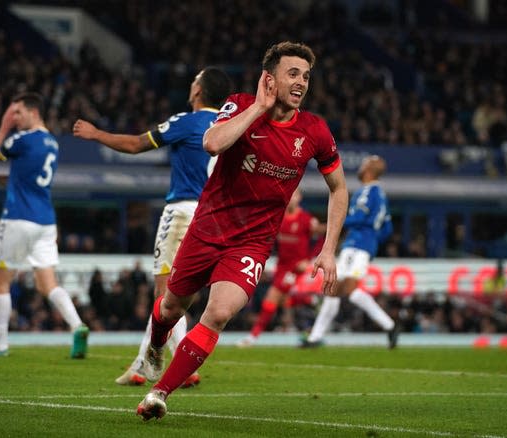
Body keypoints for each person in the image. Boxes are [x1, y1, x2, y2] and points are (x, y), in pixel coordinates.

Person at [136, 41, 348, 421]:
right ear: (270, 78)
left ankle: (159, 392)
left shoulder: (315, 130)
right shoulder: (238, 103)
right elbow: (211, 143)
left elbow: (339, 189)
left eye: (306, 76)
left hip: (251, 243)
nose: (301, 83)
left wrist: (328, 248)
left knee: (217, 313)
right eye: (293, 74)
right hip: (207, 228)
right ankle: (154, 346)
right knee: (171, 306)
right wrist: (258, 108)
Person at [73, 67, 232, 386]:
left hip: (183, 212)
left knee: (165, 297)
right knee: (180, 298)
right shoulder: (230, 127)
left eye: (194, 81)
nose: (191, 85)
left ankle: (150, 367)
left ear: (198, 91)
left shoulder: (187, 122)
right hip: (215, 218)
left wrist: (97, 134)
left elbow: (134, 145)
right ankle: (156, 366)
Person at [0, 92, 89, 358]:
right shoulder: (51, 143)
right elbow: (19, 181)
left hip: (18, 218)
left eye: (17, 112)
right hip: (45, 222)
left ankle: (0, 345)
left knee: (0, 280)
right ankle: (77, 326)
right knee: (47, 284)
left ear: (33, 112)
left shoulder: (21, 139)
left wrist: (4, 127)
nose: (14, 117)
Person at [301, 155, 399, 349]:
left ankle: (390, 325)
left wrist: (327, 227)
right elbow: (387, 228)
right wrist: (372, 241)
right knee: (332, 290)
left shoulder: (367, 192)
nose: (360, 169)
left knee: (350, 290)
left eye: (363, 165)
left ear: (369, 171)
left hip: (356, 245)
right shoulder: (381, 195)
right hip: (361, 246)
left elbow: (358, 218)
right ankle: (314, 337)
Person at [237, 188, 326, 346]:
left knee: (273, 298)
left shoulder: (306, 219)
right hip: (282, 267)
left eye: (294, 195)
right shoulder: (279, 217)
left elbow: (321, 236)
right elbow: (268, 240)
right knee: (282, 301)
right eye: (289, 195)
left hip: (297, 268)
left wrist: (310, 259)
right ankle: (309, 306)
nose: (291, 198)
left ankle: (253, 337)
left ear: (299, 198)